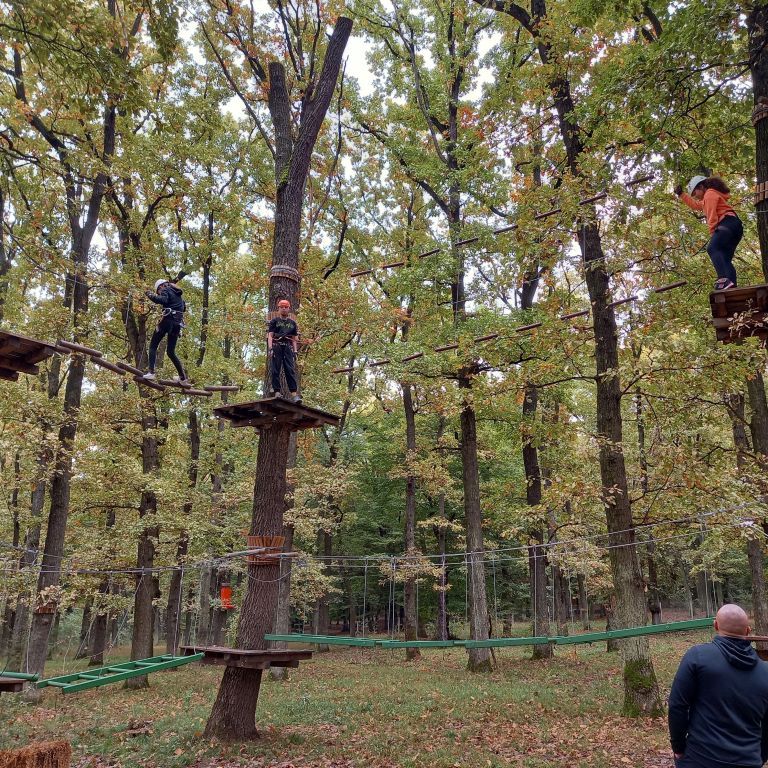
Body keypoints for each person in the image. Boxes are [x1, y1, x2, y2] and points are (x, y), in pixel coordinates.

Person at [668, 603, 768, 768]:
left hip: (699, 759)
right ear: (748, 631)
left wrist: (678, 747)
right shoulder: (765, 672)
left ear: (715, 625)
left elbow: (677, 705)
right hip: (747, 760)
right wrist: (759, 757)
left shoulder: (697, 657)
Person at [674, 175, 743, 291]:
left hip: (727, 223)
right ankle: (731, 285)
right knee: (724, 258)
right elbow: (695, 205)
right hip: (735, 227)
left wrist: (713, 233)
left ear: (701, 186)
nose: (695, 196)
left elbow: (712, 216)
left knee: (712, 248)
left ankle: (723, 280)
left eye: (695, 193)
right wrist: (681, 194)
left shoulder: (709, 194)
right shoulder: (708, 197)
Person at [143, 279, 190, 384]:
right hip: (177, 325)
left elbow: (162, 300)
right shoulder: (178, 295)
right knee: (170, 352)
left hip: (168, 321)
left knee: (153, 346)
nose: (159, 293)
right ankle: (183, 378)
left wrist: (149, 294)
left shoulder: (166, 289)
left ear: (161, 286)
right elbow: (183, 308)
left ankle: (151, 372)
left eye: (158, 292)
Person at [267, 299, 301, 403]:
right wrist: (270, 348)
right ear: (279, 308)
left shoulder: (292, 323)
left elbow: (294, 339)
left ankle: (294, 395)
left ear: (289, 308)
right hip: (277, 346)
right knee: (275, 369)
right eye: (282, 307)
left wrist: (295, 351)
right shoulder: (274, 321)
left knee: (290, 370)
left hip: (287, 347)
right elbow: (270, 336)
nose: (284, 309)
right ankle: (277, 391)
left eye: (286, 307)